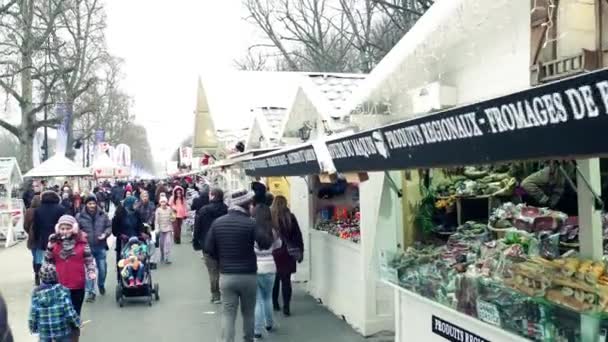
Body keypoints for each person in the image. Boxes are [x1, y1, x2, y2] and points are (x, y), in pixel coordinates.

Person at [204, 190, 273, 342]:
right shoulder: (251, 223)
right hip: (248, 276)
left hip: (227, 276)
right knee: (248, 313)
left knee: (228, 314)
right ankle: (248, 339)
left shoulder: (218, 223)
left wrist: (222, 258)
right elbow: (265, 243)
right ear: (247, 205)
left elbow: (208, 249)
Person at [44, 215, 96, 317]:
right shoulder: (54, 243)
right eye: (62, 228)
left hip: (77, 284)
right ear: (58, 229)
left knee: (75, 314)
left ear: (74, 228)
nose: (65, 231)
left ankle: (75, 330)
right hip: (59, 284)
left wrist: (91, 271)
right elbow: (47, 260)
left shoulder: (82, 243)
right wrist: (49, 248)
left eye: (68, 228)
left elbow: (89, 260)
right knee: (62, 315)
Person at [28, 263, 80, 342]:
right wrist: (77, 323)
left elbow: (33, 313)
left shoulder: (36, 294)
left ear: (41, 278)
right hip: (62, 331)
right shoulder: (63, 291)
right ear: (56, 276)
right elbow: (69, 312)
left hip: (44, 332)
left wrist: (32, 327)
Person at [271, 195, 304, 316]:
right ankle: (286, 307)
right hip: (288, 252)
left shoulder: (270, 218)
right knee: (286, 281)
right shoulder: (290, 217)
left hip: (274, 252)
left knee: (274, 280)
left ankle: (274, 303)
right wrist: (300, 251)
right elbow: (298, 236)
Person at [253, 204, 282, 339]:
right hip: (270, 266)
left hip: (255, 267)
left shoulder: (251, 229)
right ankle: (269, 323)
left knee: (257, 300)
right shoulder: (273, 230)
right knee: (267, 297)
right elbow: (278, 245)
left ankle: (257, 330)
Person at [76, 196, 111, 302]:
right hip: (87, 247)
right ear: (86, 204)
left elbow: (109, 226)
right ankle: (90, 291)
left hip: (100, 246)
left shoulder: (103, 215)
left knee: (102, 269)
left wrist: (105, 234)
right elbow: (76, 229)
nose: (92, 205)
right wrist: (81, 233)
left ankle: (101, 284)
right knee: (89, 271)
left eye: (93, 203)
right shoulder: (79, 216)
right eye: (89, 203)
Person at [195, 188, 228, 303]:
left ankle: (215, 295)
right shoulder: (226, 209)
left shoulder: (204, 210)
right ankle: (226, 293)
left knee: (212, 272)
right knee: (223, 271)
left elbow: (197, 227)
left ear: (213, 196)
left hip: (207, 244)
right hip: (224, 243)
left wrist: (197, 242)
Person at [33, 191, 65, 286]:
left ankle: (43, 278)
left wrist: (36, 238)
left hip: (43, 239)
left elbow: (36, 226)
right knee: (57, 259)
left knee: (44, 260)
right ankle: (57, 278)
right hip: (58, 238)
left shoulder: (38, 210)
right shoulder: (61, 209)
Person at [111, 196, 145, 261]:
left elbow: (140, 225)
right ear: (130, 204)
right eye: (135, 203)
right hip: (124, 241)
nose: (136, 205)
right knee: (124, 261)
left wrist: (142, 232)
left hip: (135, 240)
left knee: (137, 261)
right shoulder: (119, 214)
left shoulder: (137, 213)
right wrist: (120, 235)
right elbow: (115, 229)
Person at [135, 191, 158, 268]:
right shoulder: (137, 205)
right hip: (140, 227)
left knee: (151, 243)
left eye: (146, 196)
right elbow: (135, 214)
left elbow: (153, 214)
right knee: (141, 244)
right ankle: (142, 260)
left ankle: (152, 261)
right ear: (140, 197)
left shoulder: (151, 204)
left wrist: (149, 223)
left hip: (150, 227)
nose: (145, 198)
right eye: (143, 196)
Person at [24, 195, 41, 285]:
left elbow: (25, 226)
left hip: (32, 238)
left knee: (35, 257)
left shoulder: (28, 211)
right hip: (41, 237)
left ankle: (36, 274)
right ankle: (41, 273)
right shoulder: (42, 211)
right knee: (41, 256)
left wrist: (29, 232)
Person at [155, 197, 174, 264]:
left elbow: (172, 217)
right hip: (161, 229)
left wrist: (172, 219)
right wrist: (157, 229)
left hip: (168, 228)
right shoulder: (158, 210)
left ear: (166, 202)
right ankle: (162, 255)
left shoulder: (169, 209)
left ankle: (167, 258)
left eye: (164, 202)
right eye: (162, 202)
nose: (163, 203)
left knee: (168, 243)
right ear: (160, 203)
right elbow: (156, 220)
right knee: (162, 244)